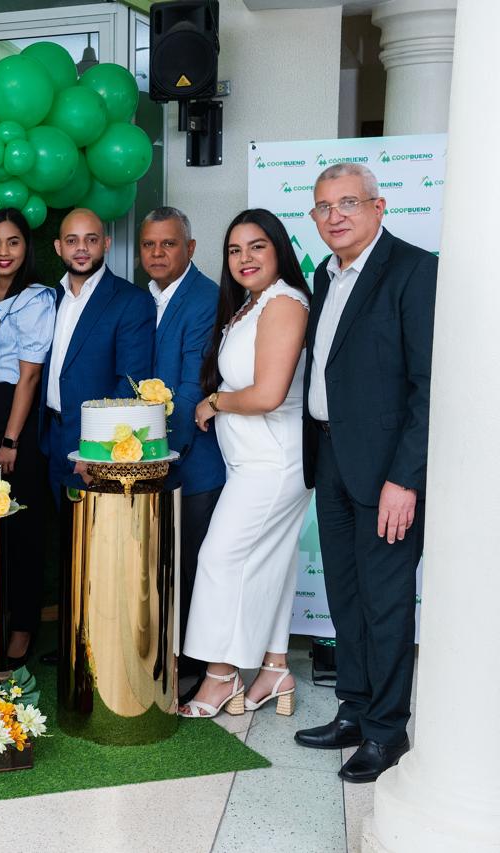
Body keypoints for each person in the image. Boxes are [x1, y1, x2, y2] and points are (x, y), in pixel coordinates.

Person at [294, 164, 435, 783]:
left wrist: (405, 479)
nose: (335, 217)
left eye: (348, 203)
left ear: (378, 207)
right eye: (324, 207)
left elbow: (429, 386)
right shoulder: (325, 276)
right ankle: (354, 709)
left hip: (386, 473)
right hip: (332, 458)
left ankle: (386, 731)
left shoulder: (413, 270)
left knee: (385, 603)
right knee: (345, 597)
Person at [180, 209, 312, 721]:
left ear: (278, 249)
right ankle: (275, 668)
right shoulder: (250, 305)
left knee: (220, 559)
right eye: (235, 250)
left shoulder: (284, 302)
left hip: (273, 462)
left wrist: (214, 402)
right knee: (273, 561)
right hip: (252, 461)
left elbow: (268, 394)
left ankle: (220, 676)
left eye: (257, 246)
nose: (244, 258)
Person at [139, 206, 226, 700]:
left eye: (168, 244)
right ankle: (169, 654)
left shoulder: (205, 298)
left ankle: (194, 666)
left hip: (190, 461)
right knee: (163, 565)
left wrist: (155, 453)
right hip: (151, 459)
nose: (157, 253)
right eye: (149, 244)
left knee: (192, 567)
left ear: (190, 248)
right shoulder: (144, 297)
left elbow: (195, 386)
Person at [0, 208, 56, 666]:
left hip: (14, 417)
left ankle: (23, 628)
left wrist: (10, 440)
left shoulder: (35, 298)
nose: (3, 252)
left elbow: (29, 376)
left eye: (13, 242)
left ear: (27, 247)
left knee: (22, 527)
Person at [41, 208, 155, 494]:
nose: (81, 248)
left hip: (96, 448)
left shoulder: (131, 301)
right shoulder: (50, 298)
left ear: (106, 243)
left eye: (91, 240)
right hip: (50, 439)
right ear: (58, 247)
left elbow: (130, 384)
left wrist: (96, 449)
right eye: (72, 240)